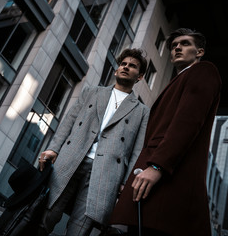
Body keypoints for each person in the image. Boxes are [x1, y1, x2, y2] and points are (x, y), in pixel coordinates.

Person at [109, 28, 222, 236]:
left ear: (200, 52)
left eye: (185, 43)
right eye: (174, 46)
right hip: (155, 177)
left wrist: (157, 166)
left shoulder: (203, 71)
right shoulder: (179, 80)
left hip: (168, 177)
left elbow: (187, 123)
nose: (177, 47)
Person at [37, 48, 150, 236]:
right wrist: (53, 149)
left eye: (132, 66)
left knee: (80, 229)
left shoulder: (142, 111)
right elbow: (69, 121)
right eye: (123, 64)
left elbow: (137, 150)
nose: (126, 67)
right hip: (72, 158)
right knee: (47, 214)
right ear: (116, 70)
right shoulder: (92, 92)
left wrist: (125, 182)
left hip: (106, 173)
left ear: (139, 77)